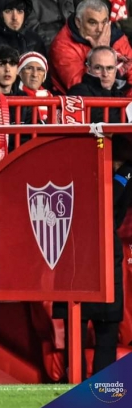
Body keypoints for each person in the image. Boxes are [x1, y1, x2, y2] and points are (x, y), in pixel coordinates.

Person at [53, 136, 132, 380]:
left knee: (106, 327)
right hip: (78, 250)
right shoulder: (83, 172)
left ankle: (101, 389)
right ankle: (75, 384)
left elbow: (113, 205)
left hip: (102, 249)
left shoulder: (125, 174)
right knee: (76, 323)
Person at [49, 0, 132, 94]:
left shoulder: (116, 36)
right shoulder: (62, 46)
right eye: (93, 23)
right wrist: (100, 53)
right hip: (84, 105)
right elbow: (81, 89)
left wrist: (127, 105)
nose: (100, 29)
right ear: (78, 22)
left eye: (104, 22)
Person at [0, 0, 47, 83]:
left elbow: (44, 79)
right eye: (8, 11)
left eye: (20, 11)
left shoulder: (34, 39)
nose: (15, 17)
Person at [68, 46, 131, 123]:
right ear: (88, 69)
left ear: (115, 70)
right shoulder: (78, 92)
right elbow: (105, 123)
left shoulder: (121, 93)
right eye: (98, 68)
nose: (105, 74)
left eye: (110, 68)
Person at [17, 51, 52, 124]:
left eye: (40, 69)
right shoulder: (13, 94)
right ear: (20, 73)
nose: (35, 74)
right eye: (29, 68)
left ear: (44, 77)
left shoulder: (50, 97)